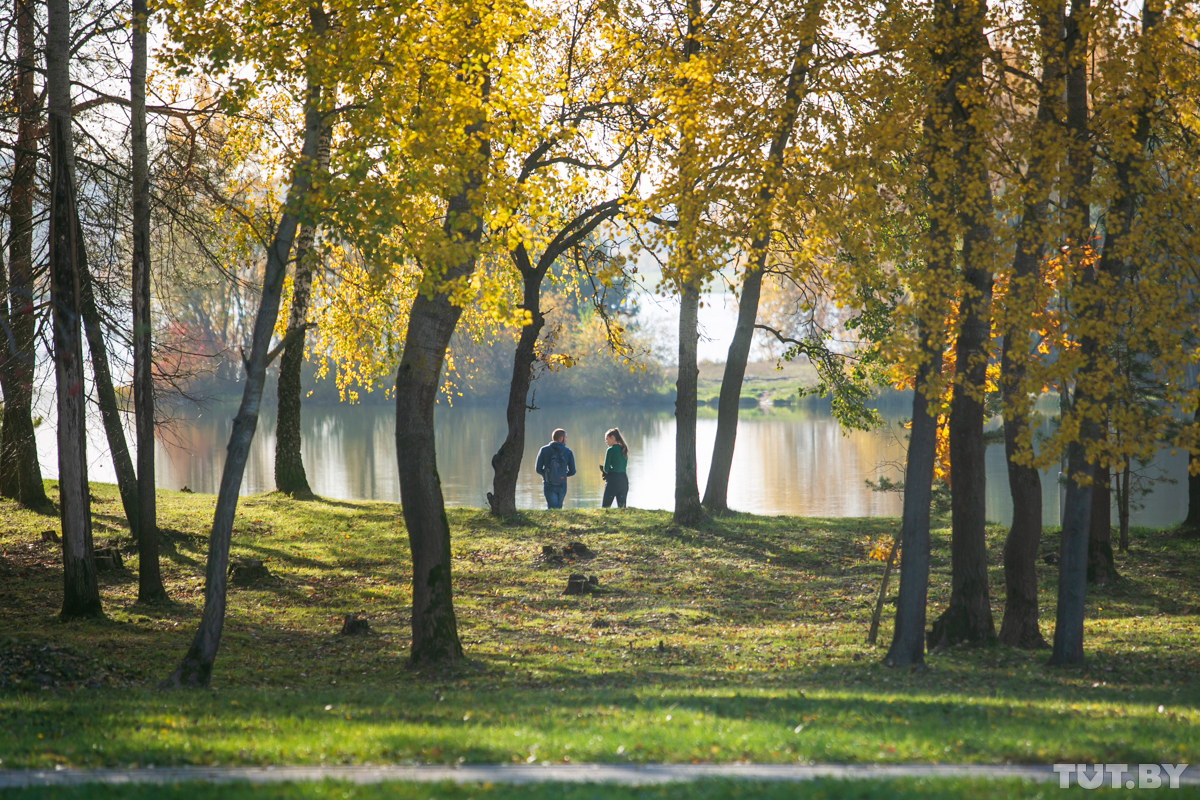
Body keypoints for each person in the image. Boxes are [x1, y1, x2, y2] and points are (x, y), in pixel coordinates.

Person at [535, 428, 576, 509]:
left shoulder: (544, 450)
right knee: (559, 507)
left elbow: (538, 469)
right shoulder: (568, 452)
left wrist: (547, 475)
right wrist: (562, 474)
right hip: (562, 483)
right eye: (566, 437)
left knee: (552, 508)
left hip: (548, 483)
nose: (566, 439)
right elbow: (573, 471)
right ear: (561, 438)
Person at [600, 427, 629, 509]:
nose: (606, 441)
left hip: (613, 481)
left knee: (605, 507)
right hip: (624, 480)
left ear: (612, 437)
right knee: (622, 508)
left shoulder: (610, 450)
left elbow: (606, 469)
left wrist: (605, 470)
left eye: (607, 439)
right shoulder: (624, 449)